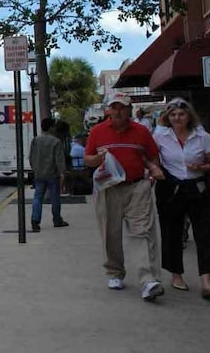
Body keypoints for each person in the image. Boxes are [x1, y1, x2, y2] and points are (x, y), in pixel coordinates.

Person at [84, 93, 166, 301]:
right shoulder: (97, 131)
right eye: (115, 107)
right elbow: (88, 160)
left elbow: (152, 156)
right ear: (109, 110)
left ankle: (148, 280)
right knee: (110, 232)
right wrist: (98, 157)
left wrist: (152, 174)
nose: (118, 111)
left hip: (137, 186)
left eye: (122, 107)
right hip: (108, 188)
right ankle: (115, 272)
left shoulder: (141, 131)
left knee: (143, 232)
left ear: (129, 110)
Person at [152, 98, 210, 299]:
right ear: (167, 117)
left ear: (189, 115)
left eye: (181, 114)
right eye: (173, 115)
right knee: (171, 233)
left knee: (203, 234)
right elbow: (153, 159)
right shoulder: (160, 135)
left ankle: (207, 281)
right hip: (171, 188)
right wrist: (155, 170)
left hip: (197, 188)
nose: (177, 118)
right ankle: (176, 275)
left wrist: (201, 167)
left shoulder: (202, 136)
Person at [29, 117, 68, 231]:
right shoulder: (56, 141)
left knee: (38, 197)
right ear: (51, 127)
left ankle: (35, 220)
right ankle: (57, 219)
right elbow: (59, 160)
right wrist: (63, 173)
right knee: (55, 197)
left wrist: (35, 169)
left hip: (39, 174)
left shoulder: (35, 140)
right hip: (52, 174)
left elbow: (31, 157)